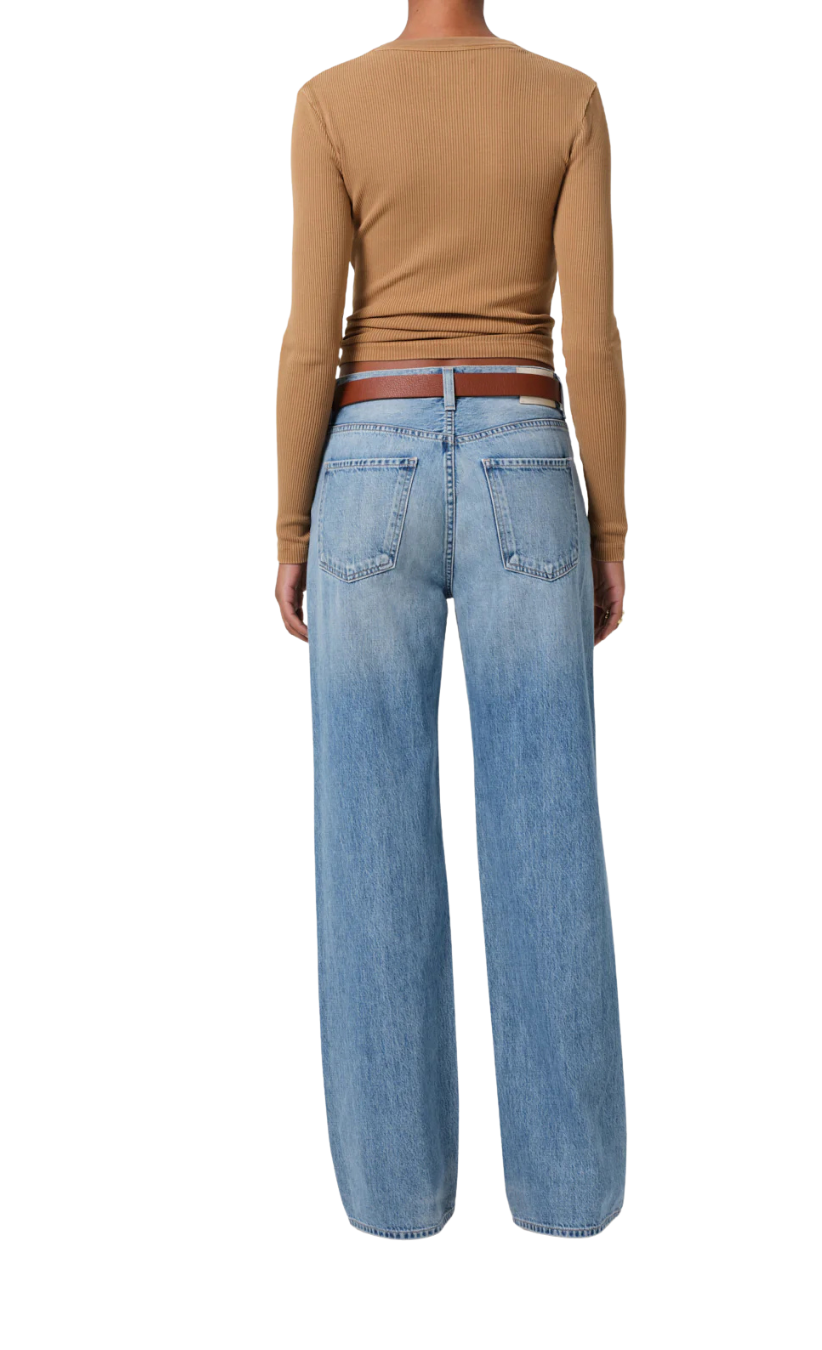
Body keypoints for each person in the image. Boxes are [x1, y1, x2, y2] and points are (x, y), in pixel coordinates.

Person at [274, 0, 627, 1240]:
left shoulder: (332, 102)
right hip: (526, 452)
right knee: (548, 826)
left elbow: (311, 339)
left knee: (367, 836)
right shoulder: (567, 98)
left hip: (365, 462)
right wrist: (610, 526)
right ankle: (570, 1198)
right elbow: (592, 340)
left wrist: (291, 527)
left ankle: (396, 1201)